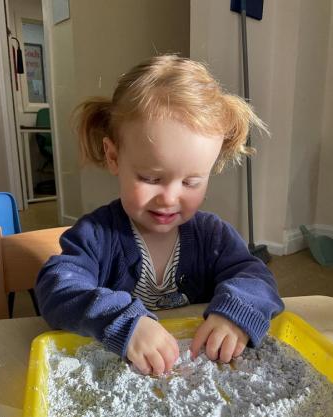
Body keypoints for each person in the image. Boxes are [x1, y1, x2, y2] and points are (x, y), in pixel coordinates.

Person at [36, 55, 284, 376]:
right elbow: (56, 289)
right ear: (114, 157)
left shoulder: (213, 236)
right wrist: (124, 321)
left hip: (196, 374)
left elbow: (257, 280)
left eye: (191, 181)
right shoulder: (96, 235)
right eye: (151, 179)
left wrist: (235, 313)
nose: (169, 198)